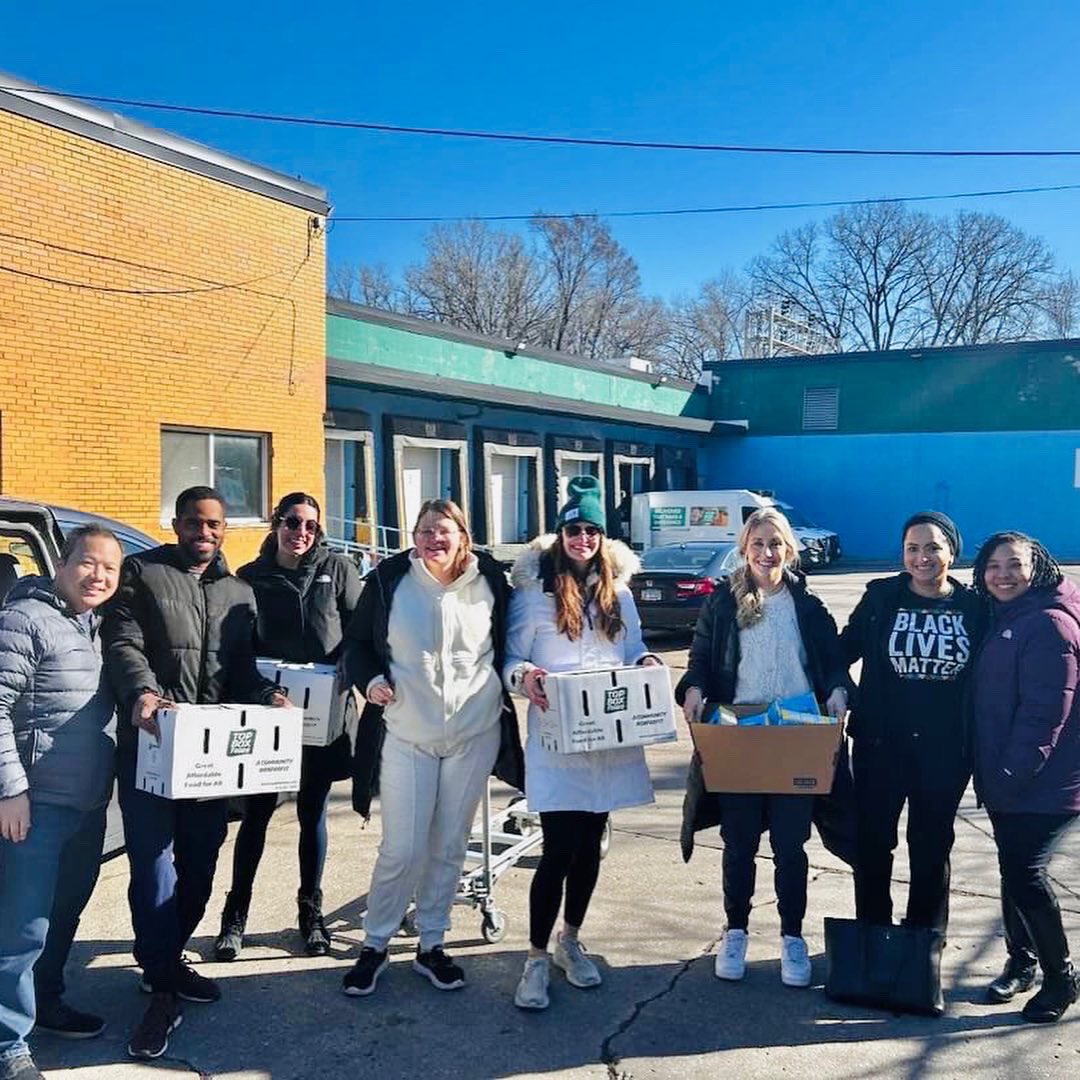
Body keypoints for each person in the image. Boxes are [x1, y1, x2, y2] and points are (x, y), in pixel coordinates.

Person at [104, 487, 285, 1060]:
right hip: (153, 746)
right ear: (177, 523)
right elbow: (123, 641)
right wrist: (145, 693)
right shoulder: (144, 572)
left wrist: (268, 695)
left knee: (201, 866)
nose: (203, 533)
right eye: (193, 523)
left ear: (224, 530)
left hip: (209, 762)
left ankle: (166, 957)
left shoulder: (238, 592)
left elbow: (240, 670)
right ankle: (161, 981)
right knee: (153, 868)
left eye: (214, 525)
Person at [340, 499, 518, 997]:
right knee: (402, 847)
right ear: (413, 537)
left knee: (448, 846)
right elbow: (354, 646)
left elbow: (509, 646)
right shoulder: (389, 581)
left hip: (473, 734)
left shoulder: (490, 584)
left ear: (463, 535)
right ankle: (374, 944)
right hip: (407, 735)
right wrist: (371, 680)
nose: (433, 540)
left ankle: (431, 945)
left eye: (443, 531)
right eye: (424, 531)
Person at [505, 475, 662, 1012]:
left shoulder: (616, 591)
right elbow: (510, 659)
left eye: (592, 530)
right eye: (574, 529)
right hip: (557, 738)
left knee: (591, 842)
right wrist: (525, 676)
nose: (583, 539)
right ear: (559, 534)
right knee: (557, 848)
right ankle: (533, 958)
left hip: (610, 734)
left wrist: (646, 664)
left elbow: (635, 647)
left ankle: (569, 940)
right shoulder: (534, 593)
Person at [677, 507, 848, 989]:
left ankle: (792, 937)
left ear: (788, 548)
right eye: (758, 544)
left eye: (775, 543)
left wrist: (838, 689)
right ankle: (736, 930)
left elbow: (831, 661)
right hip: (741, 734)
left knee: (791, 846)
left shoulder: (807, 605)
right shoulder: (723, 602)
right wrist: (692, 688)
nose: (767, 552)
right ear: (744, 549)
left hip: (796, 734)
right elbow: (701, 659)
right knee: (740, 844)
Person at [213, 493, 362, 962]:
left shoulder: (337, 569)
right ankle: (234, 915)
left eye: (311, 526)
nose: (301, 532)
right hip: (269, 712)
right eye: (292, 522)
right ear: (276, 524)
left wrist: (346, 668)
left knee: (312, 814)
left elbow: (360, 632)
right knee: (256, 816)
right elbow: (237, 650)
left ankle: (310, 913)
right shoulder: (251, 579)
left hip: (324, 716)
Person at [0, 526, 123, 1080]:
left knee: (61, 916)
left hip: (86, 805)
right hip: (36, 804)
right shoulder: (27, 620)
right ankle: (7, 1044)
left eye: (110, 569)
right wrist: (11, 791)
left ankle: (45, 1003)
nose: (98, 576)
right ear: (61, 563)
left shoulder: (96, 628)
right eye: (87, 563)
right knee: (21, 927)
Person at [840, 511, 985, 936]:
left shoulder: (975, 608)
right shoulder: (881, 598)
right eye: (913, 548)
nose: (923, 557)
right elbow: (838, 653)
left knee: (931, 846)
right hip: (881, 745)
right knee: (872, 844)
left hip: (945, 751)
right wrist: (843, 692)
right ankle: (872, 933)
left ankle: (924, 940)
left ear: (952, 553)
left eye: (933, 547)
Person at [972, 532, 1080, 1023]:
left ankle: (1061, 978)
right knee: (1013, 869)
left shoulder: (1048, 624)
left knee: (1026, 874)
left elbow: (1044, 715)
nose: (1003, 574)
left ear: (1036, 566)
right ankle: (1022, 962)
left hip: (1042, 782)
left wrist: (1011, 773)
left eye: (1013, 564)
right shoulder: (1009, 616)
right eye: (993, 565)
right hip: (1008, 776)